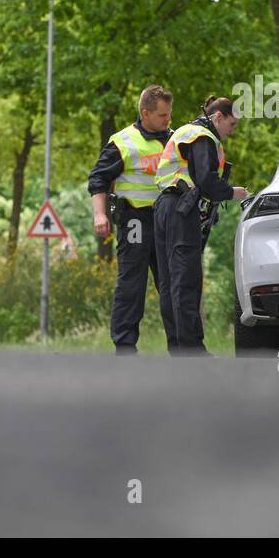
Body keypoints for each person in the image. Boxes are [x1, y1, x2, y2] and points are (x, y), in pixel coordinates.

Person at [153, 95, 249, 355]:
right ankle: (192, 351)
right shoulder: (202, 137)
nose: (232, 131)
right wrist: (233, 193)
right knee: (186, 281)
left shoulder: (185, 131)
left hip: (164, 208)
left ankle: (178, 348)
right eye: (232, 124)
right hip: (181, 211)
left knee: (169, 282)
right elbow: (205, 180)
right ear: (218, 116)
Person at [87, 84, 177, 355]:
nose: (168, 120)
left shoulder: (175, 140)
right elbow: (98, 179)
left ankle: (182, 346)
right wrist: (100, 214)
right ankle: (125, 346)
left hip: (167, 221)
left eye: (169, 114)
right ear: (145, 113)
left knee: (174, 284)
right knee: (131, 284)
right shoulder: (122, 142)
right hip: (135, 220)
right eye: (162, 115)